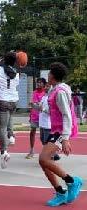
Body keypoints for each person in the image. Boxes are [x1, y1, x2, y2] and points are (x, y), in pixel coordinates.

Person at [39, 62, 82, 207]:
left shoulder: (60, 91)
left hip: (60, 131)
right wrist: (41, 109)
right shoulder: (54, 89)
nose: (48, 74)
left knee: (43, 159)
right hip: (55, 130)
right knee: (43, 162)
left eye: (50, 72)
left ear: (53, 75)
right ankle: (60, 192)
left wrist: (65, 138)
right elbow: (54, 110)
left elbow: (67, 115)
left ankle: (72, 181)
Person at [0, 52, 20, 169]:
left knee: (1, 128)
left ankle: (3, 152)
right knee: (10, 117)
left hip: (1, 100)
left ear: (4, 60)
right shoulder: (17, 73)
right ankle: (12, 136)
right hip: (13, 100)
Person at [26, 78, 46, 159]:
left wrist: (35, 104)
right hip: (34, 116)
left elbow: (42, 105)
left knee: (43, 135)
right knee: (32, 132)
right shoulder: (34, 92)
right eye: (37, 82)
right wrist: (30, 115)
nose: (38, 84)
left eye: (40, 82)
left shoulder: (46, 93)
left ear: (44, 84)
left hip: (43, 116)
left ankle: (47, 152)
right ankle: (31, 150)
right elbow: (32, 104)